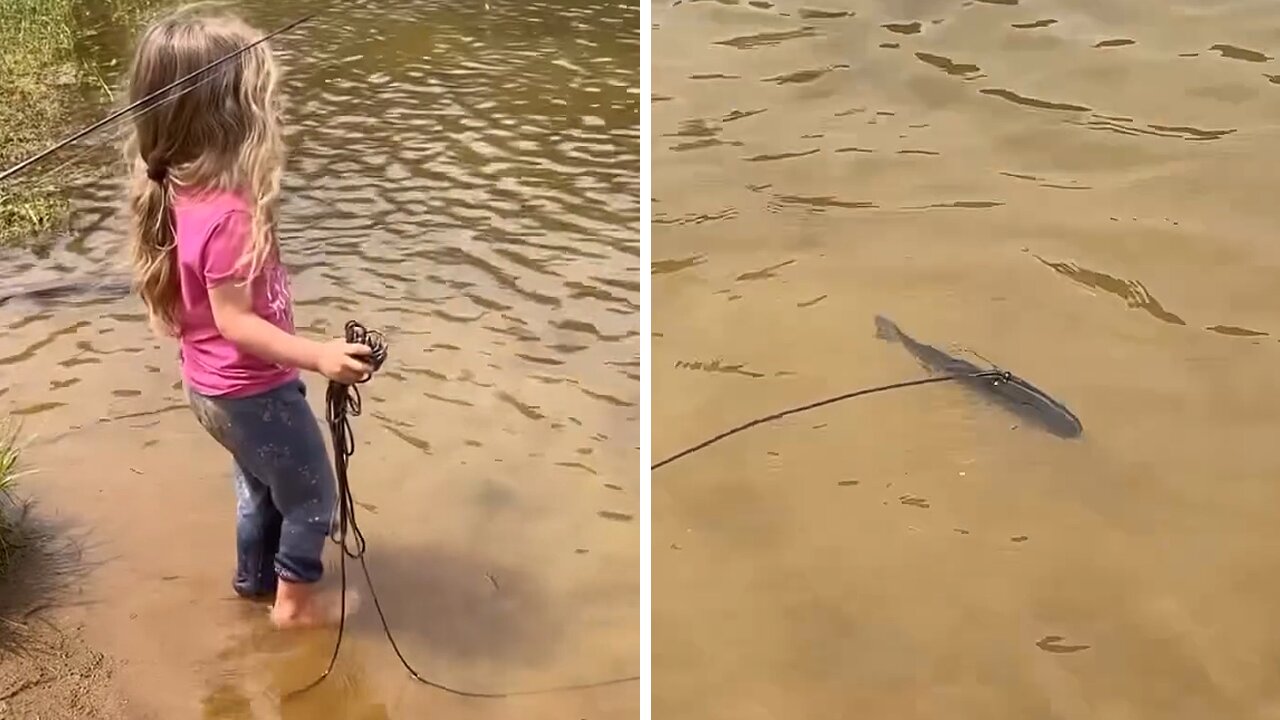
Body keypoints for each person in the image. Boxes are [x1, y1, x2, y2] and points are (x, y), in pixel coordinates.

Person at [123, 7, 368, 629]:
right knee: (313, 498)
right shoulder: (229, 212)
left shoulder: (177, 181)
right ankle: (293, 608)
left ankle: (254, 584)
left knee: (260, 491)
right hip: (253, 392)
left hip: (208, 388)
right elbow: (235, 321)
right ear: (232, 112)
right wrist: (318, 355)